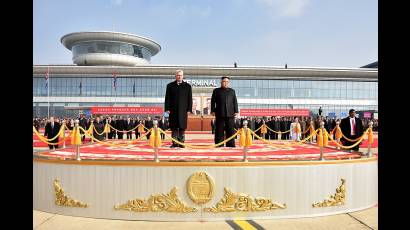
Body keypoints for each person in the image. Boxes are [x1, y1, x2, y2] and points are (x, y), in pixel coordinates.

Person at [164, 70, 193, 148]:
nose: (179, 76)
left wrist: (189, 109)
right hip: (172, 110)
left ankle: (181, 143)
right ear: (175, 76)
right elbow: (167, 98)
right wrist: (167, 108)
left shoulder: (187, 86)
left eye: (180, 75)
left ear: (183, 76)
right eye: (178, 75)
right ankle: (174, 143)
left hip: (183, 111)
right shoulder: (170, 86)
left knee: (182, 127)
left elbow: (189, 99)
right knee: (174, 127)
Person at [211, 76, 239, 147]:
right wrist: (212, 110)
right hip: (220, 113)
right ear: (221, 82)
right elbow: (212, 101)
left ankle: (230, 144)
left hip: (230, 113)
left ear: (228, 83)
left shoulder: (232, 91)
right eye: (224, 81)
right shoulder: (216, 91)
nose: (225, 83)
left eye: (227, 82)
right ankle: (219, 144)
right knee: (219, 130)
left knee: (230, 130)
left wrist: (236, 110)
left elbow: (235, 101)